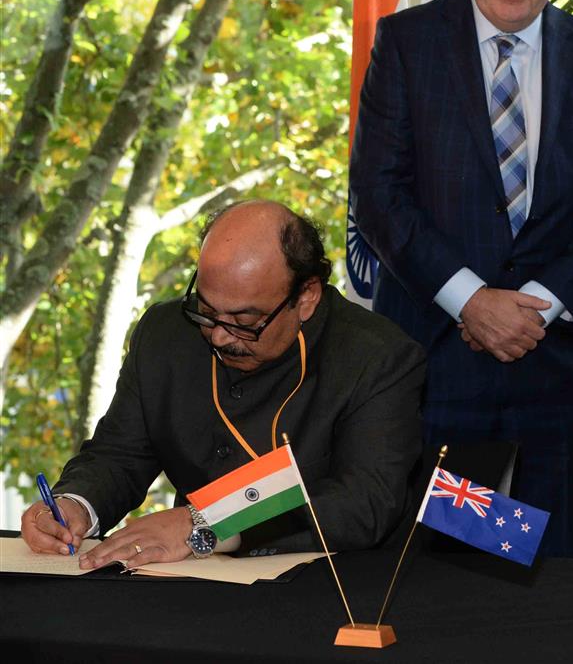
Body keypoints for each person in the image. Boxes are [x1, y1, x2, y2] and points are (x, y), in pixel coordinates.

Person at [349, 0, 573, 558]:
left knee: (540, 580)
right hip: (442, 373)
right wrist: (472, 302)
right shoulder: (407, 45)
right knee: (455, 577)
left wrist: (531, 307)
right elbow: (380, 194)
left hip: (550, 380)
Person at [20, 199, 426, 566]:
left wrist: (206, 524)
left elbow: (365, 503)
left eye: (245, 323)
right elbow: (119, 455)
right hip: (195, 583)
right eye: (206, 311)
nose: (218, 337)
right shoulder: (164, 334)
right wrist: (73, 505)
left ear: (306, 297)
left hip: (331, 585)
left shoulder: (378, 357)